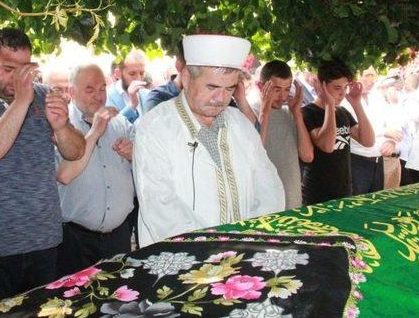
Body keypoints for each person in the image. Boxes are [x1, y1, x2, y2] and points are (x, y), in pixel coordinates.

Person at [0, 27, 85, 306]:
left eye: (25, 68)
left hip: (43, 241)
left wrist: (61, 128)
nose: (18, 78)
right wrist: (22, 102)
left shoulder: (44, 94)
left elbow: (76, 152)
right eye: (8, 68)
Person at [133, 34, 285, 247]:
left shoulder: (241, 124)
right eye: (212, 87)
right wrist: (216, 249)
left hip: (245, 253)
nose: (221, 98)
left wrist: (250, 238)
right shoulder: (155, 128)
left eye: (229, 88)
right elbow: (161, 207)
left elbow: (269, 187)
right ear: (186, 77)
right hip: (184, 262)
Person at [56, 64, 134, 275]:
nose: (99, 96)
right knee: (79, 303)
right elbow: (64, 176)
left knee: (120, 300)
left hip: (119, 236)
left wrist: (132, 155)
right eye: (90, 89)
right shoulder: (61, 126)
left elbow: (145, 167)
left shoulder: (121, 123)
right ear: (71, 92)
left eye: (102, 88)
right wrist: (95, 131)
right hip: (76, 239)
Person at [301, 60, 375, 205]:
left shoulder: (342, 112)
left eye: (345, 87)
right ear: (321, 86)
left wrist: (356, 103)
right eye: (337, 88)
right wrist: (329, 105)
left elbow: (368, 141)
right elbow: (327, 146)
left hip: (343, 191)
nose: (342, 93)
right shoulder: (309, 112)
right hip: (317, 194)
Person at [254, 60, 313, 209]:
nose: (283, 96)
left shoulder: (290, 113)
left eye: (287, 89)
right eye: (276, 90)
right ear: (261, 86)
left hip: (292, 199)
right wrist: (264, 113)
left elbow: (307, 156)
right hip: (262, 203)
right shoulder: (249, 111)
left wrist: (297, 114)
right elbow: (254, 154)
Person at [106, 50, 150, 123]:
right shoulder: (107, 97)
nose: (138, 79)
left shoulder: (148, 94)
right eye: (132, 74)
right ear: (118, 74)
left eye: (142, 73)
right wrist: (132, 105)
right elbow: (112, 128)